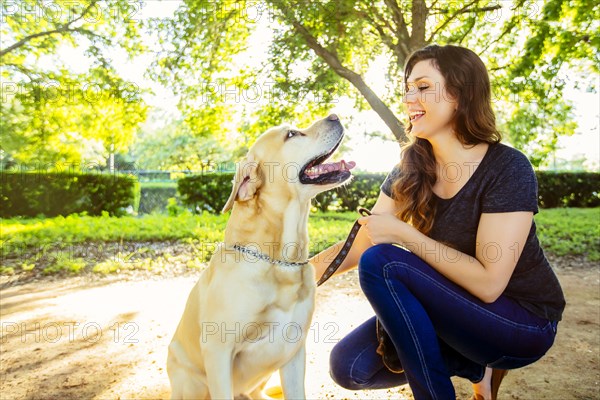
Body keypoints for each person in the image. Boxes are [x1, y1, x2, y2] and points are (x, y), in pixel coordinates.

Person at [310, 44, 566, 400]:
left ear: (461, 95)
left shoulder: (507, 167)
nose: (409, 98)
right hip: (455, 309)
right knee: (350, 366)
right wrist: (293, 274)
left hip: (522, 323)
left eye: (424, 87)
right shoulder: (410, 168)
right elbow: (365, 240)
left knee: (385, 264)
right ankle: (477, 367)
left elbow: (491, 284)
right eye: (407, 89)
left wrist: (404, 234)